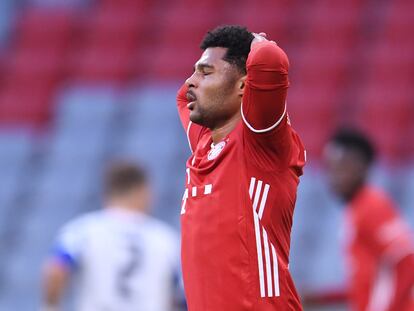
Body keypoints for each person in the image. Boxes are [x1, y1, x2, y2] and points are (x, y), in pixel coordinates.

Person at [176, 25, 306, 310]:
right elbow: (182, 97)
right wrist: (205, 70)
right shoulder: (204, 144)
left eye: (206, 72)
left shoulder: (261, 141)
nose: (191, 82)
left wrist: (256, 42)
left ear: (244, 85)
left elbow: (270, 60)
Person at [41, 162, 183, 311]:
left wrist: (51, 307)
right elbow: (183, 293)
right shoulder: (166, 239)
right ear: (143, 191)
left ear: (108, 192)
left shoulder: (82, 231)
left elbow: (56, 269)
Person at [323, 128, 414, 311]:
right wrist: (323, 298)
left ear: (361, 166)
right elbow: (370, 284)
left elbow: (406, 259)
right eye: (330, 168)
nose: (334, 177)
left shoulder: (372, 205)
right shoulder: (356, 210)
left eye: (341, 167)